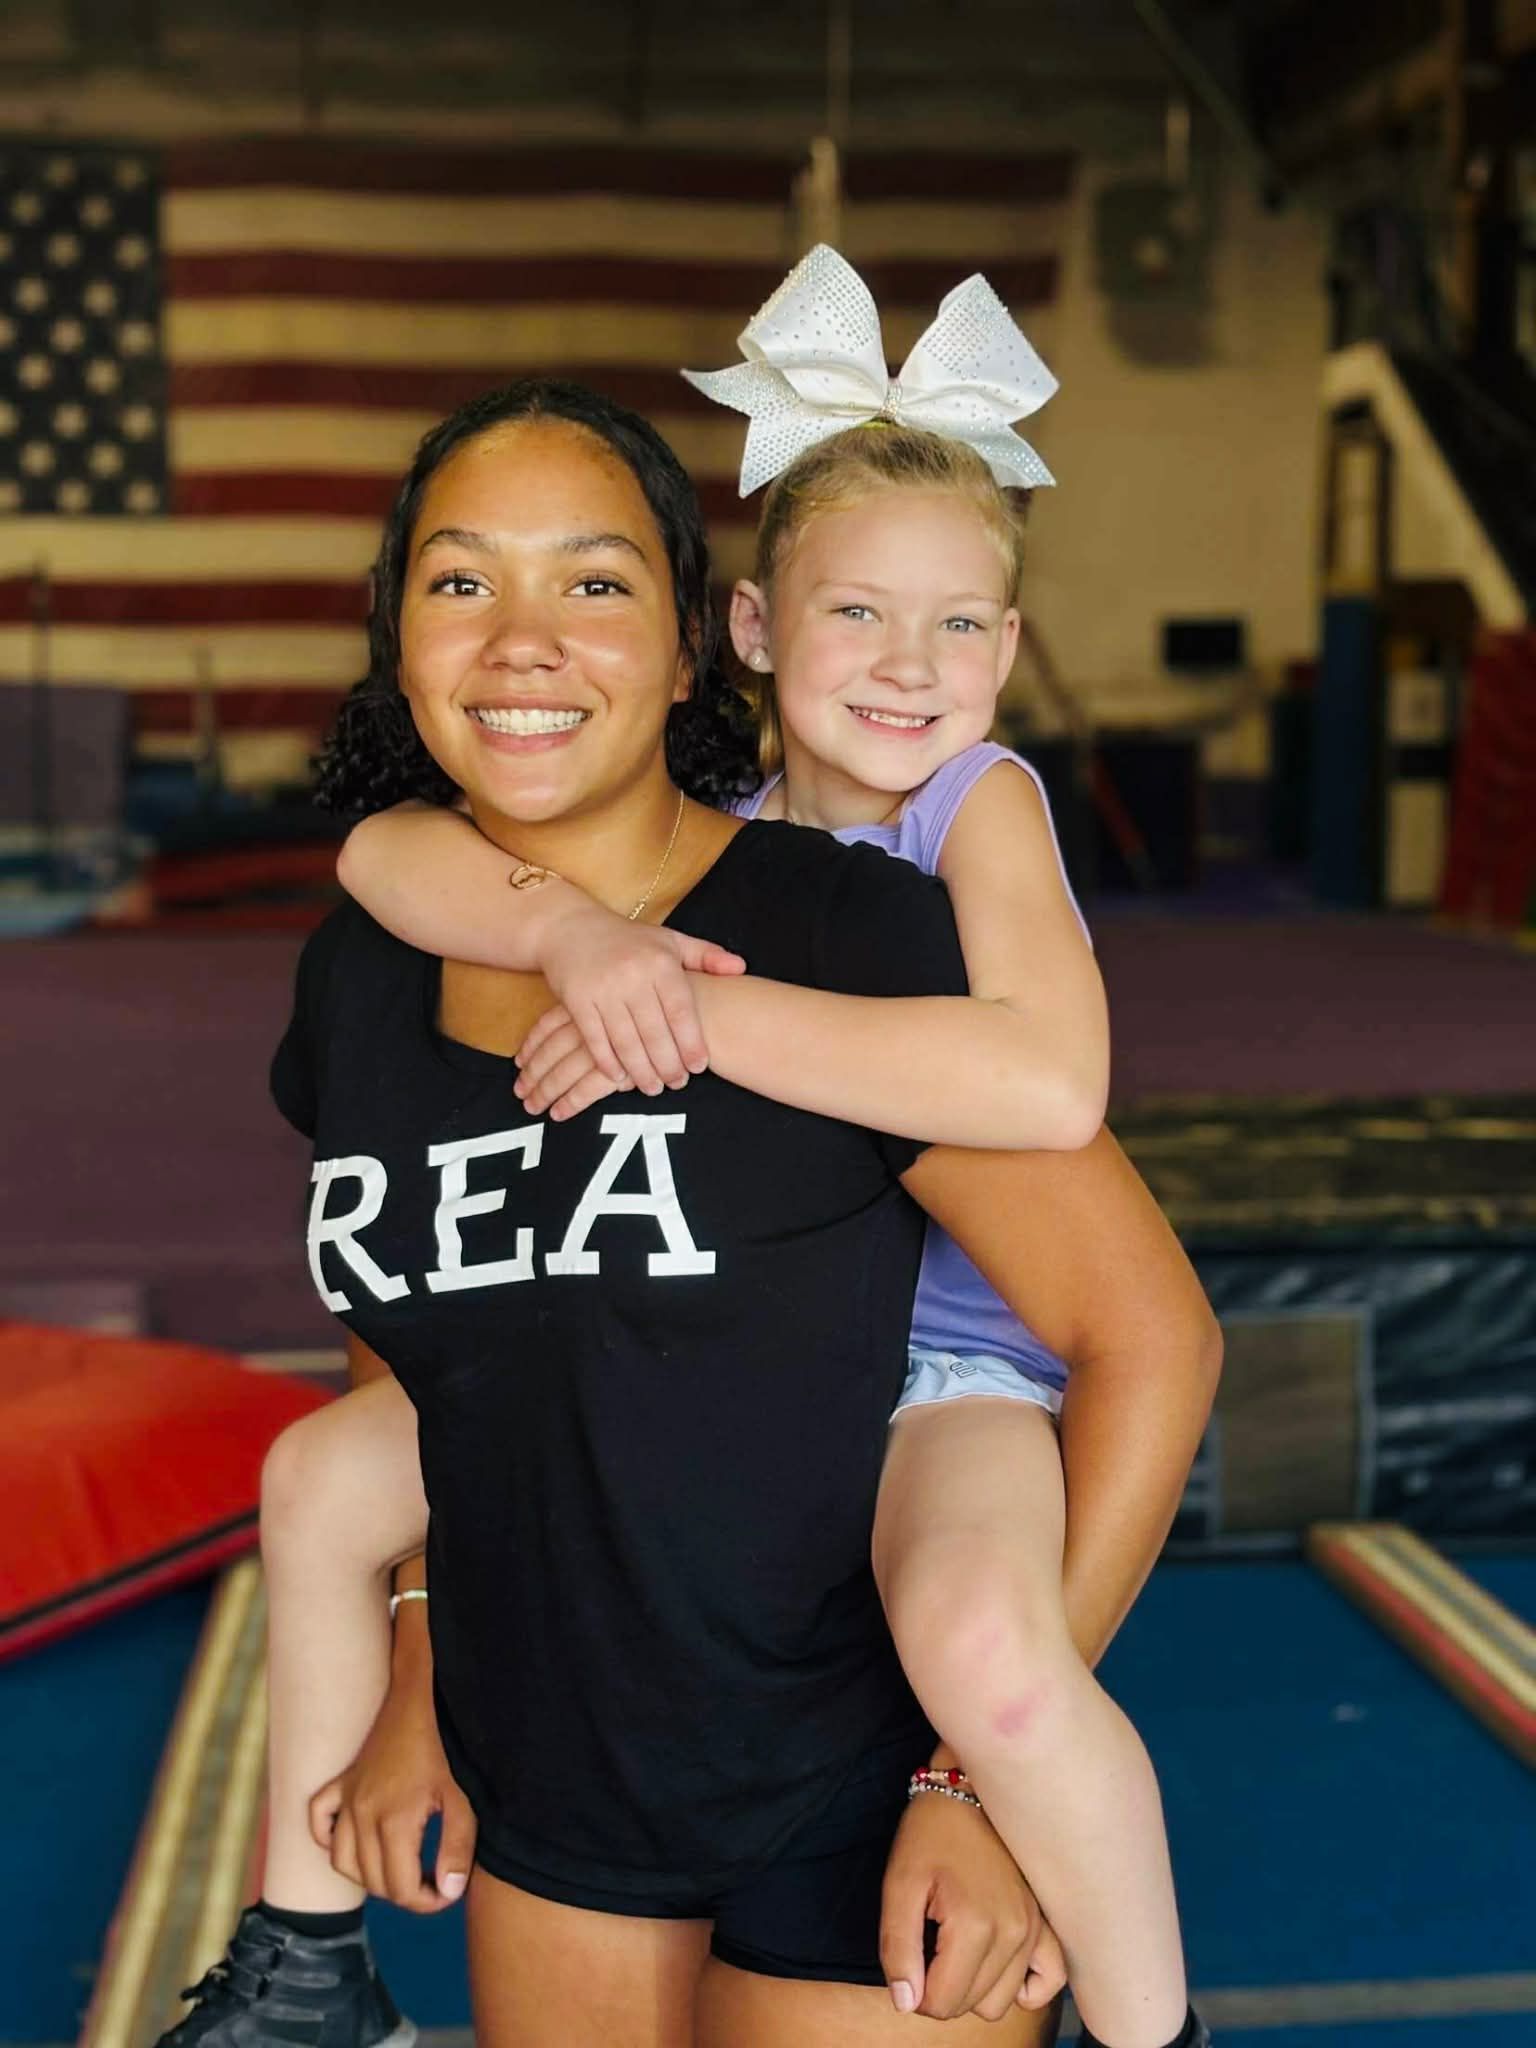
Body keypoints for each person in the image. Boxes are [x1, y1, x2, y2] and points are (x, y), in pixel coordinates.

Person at [165, 370, 1218, 2048]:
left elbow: (1144, 1327)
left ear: (681, 648)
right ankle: (304, 1967)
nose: (523, 641)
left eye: (591, 582)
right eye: (462, 580)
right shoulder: (371, 959)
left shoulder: (851, 919)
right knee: (310, 1475)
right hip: (561, 1774)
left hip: (861, 1772)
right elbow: (421, 1339)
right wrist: (418, 1669)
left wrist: (985, 1771)